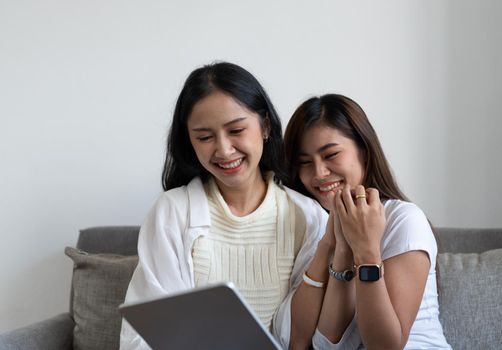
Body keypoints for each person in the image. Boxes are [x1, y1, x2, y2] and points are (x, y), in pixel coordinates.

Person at [119, 62, 333, 350]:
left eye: (236, 130)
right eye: (205, 137)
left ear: (265, 125)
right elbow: (143, 335)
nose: (223, 150)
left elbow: (305, 336)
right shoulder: (172, 211)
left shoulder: (307, 218)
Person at [284, 94, 451, 349]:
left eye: (331, 155)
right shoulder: (315, 226)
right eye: (305, 162)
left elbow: (385, 346)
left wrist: (365, 249)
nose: (318, 173)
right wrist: (335, 245)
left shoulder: (404, 219)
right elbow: (314, 344)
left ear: (363, 149)